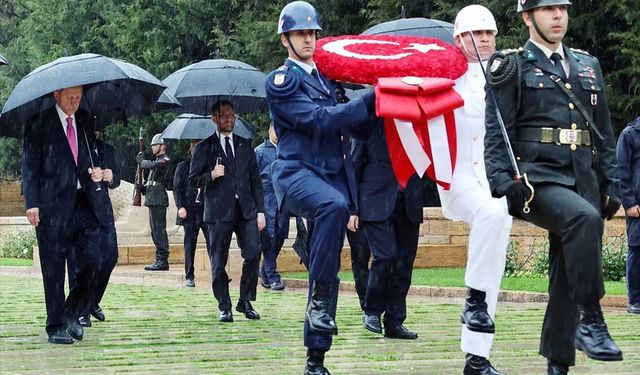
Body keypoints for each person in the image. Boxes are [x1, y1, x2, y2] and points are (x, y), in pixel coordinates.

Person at [484, 1, 623, 373]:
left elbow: (603, 133)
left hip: (583, 179)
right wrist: (502, 181)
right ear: (527, 17)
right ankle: (591, 319)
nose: (558, 16)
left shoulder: (586, 65)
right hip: (536, 180)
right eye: (547, 9)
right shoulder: (511, 65)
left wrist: (614, 184)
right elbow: (497, 130)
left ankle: (557, 364)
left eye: (562, 7)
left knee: (568, 268)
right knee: (582, 220)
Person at [266, 2, 377, 373]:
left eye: (312, 33)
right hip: (297, 172)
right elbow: (318, 119)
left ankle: (316, 359)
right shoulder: (282, 82)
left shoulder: (327, 79)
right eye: (300, 33)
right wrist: (370, 100)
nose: (308, 39)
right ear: (285, 39)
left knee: (327, 263)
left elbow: (354, 126)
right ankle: (320, 301)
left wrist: (384, 98)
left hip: (330, 176)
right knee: (333, 208)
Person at [438, 5, 513, 375]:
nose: (483, 39)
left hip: (495, 178)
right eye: (475, 34)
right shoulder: (443, 75)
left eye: (489, 34)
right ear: (458, 39)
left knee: (494, 260)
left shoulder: (505, 75)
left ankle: (477, 356)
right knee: (492, 213)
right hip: (458, 177)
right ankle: (474, 298)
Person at [22, 85, 107, 344]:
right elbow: (30, 165)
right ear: (56, 94)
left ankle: (71, 310)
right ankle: (56, 325)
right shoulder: (39, 123)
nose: (74, 102)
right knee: (54, 267)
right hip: (50, 205)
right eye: (70, 97)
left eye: (78, 98)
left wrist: (97, 171)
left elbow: (91, 153)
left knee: (98, 255)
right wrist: (32, 202)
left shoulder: (84, 120)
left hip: (83, 203)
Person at [350, 118, 426, 341]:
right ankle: (371, 309)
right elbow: (355, 166)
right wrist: (352, 209)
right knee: (385, 255)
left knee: (404, 265)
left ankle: (394, 320)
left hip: (408, 202)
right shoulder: (369, 126)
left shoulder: (418, 127)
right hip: (375, 202)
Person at [189, 100, 265, 323]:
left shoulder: (245, 145)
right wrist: (211, 175)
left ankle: (245, 300)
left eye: (232, 115)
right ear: (215, 119)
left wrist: (260, 211)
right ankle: (224, 305)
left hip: (246, 210)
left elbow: (256, 182)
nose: (229, 119)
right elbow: (192, 181)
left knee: (253, 251)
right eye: (224, 116)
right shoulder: (205, 147)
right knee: (218, 262)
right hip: (217, 213)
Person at [67, 129, 120, 327]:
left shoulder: (107, 149)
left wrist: (109, 175)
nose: (94, 129)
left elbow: (117, 180)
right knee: (79, 262)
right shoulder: (71, 147)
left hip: (102, 210)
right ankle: (79, 310)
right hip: (78, 208)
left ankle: (91, 301)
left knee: (110, 256)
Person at [255, 122, 308, 291]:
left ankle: (264, 271)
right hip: (266, 201)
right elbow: (253, 179)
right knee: (269, 239)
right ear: (269, 130)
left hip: (283, 202)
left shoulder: (289, 151)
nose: (277, 134)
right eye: (275, 130)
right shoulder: (260, 152)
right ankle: (272, 275)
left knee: (280, 237)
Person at [173, 139, 209, 288]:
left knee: (213, 243)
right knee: (189, 244)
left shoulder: (209, 168)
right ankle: (189, 275)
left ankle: (218, 273)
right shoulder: (182, 167)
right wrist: (180, 206)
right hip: (189, 211)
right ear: (191, 150)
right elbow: (177, 188)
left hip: (206, 210)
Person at [136, 134, 171, 271]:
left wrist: (142, 162)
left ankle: (162, 260)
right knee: (154, 232)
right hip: (152, 198)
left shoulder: (165, 159)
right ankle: (159, 258)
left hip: (158, 199)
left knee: (159, 231)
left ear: (162, 146)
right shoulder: (156, 161)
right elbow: (151, 181)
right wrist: (143, 188)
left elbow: (153, 166)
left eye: (154, 145)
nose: (152, 147)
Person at [616, 116, 640, 314]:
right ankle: (635, 301)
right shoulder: (629, 135)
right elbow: (621, 171)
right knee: (637, 249)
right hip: (637, 206)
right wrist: (629, 203)